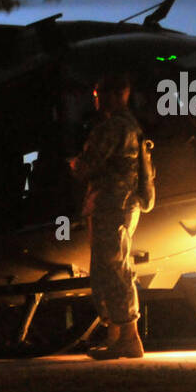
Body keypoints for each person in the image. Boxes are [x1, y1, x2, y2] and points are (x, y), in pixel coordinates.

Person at [69, 75, 145, 359]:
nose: (95, 99)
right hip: (120, 204)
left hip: (111, 204)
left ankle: (129, 337)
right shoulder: (132, 126)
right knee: (109, 267)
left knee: (114, 269)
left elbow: (86, 166)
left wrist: (74, 163)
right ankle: (117, 337)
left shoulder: (113, 127)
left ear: (115, 95)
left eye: (98, 93)